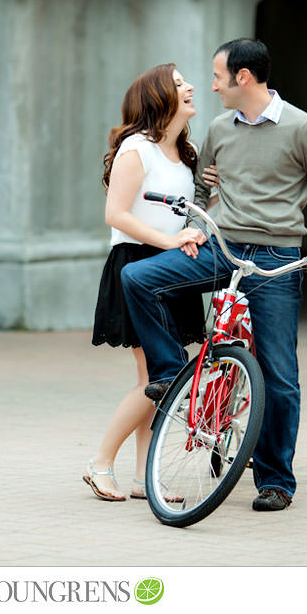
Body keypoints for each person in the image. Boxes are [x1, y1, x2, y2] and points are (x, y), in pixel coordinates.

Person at [121, 39, 307, 511]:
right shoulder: (220, 127)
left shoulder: (303, 128)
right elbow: (205, 185)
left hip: (274, 258)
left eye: (217, 76)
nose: (211, 85)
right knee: (139, 279)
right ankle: (170, 374)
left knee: (280, 374)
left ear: (243, 77)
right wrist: (197, 223)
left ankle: (275, 481)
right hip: (221, 247)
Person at [84, 63, 210, 501]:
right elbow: (115, 214)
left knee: (154, 374)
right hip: (137, 265)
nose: (190, 86)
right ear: (158, 98)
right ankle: (101, 462)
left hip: (172, 266)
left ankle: (143, 477)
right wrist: (170, 241)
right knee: (156, 375)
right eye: (178, 84)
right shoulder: (137, 149)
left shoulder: (183, 154)